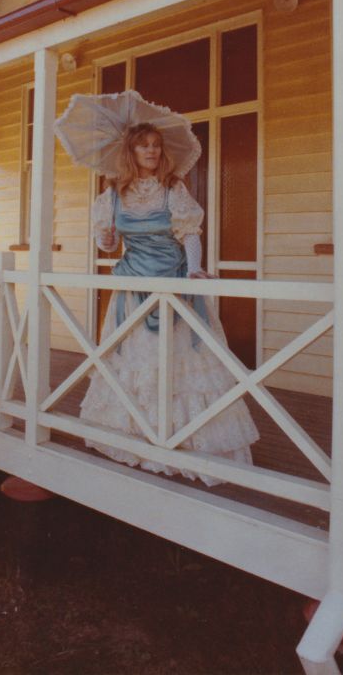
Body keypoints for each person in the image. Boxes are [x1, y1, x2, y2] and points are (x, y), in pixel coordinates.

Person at [79, 122, 259, 485]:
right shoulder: (112, 193)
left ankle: (184, 444)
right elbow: (109, 247)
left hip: (172, 284)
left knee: (180, 362)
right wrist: (108, 237)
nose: (151, 152)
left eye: (156, 146)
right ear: (130, 152)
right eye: (143, 146)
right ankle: (137, 439)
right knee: (137, 362)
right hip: (132, 289)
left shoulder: (172, 187)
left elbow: (189, 232)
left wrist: (193, 270)